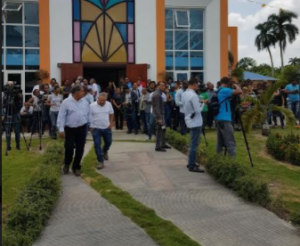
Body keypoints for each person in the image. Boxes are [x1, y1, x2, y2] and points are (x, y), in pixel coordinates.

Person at [57, 85, 90, 177]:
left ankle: (76, 167)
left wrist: (90, 124)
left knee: (80, 149)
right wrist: (61, 129)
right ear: (76, 92)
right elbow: (61, 116)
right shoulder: (66, 102)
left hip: (82, 128)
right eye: (82, 91)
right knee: (69, 147)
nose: (84, 93)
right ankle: (67, 163)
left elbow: (88, 113)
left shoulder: (85, 101)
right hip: (70, 129)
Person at [215, 77, 243, 157]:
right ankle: (232, 162)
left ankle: (217, 159)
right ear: (228, 83)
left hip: (218, 118)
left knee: (220, 142)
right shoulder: (225, 90)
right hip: (225, 119)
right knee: (230, 141)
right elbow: (240, 91)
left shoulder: (218, 90)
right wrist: (235, 84)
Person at [182, 80, 205, 173]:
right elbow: (198, 110)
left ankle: (191, 162)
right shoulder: (194, 95)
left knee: (192, 143)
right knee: (194, 145)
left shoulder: (184, 93)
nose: (197, 87)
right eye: (197, 85)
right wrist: (203, 103)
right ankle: (191, 165)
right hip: (196, 122)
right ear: (194, 84)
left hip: (188, 119)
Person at [89, 93, 114, 170]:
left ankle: (105, 150)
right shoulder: (92, 106)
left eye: (104, 100)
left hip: (106, 127)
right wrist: (90, 126)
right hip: (96, 128)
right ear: (98, 99)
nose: (103, 102)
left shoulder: (109, 104)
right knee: (97, 144)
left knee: (109, 142)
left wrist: (111, 123)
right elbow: (88, 116)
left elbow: (111, 114)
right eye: (101, 100)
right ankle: (100, 161)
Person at [3, 81, 23, 150]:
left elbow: (20, 102)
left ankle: (18, 146)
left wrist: (16, 94)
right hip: (8, 113)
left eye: (9, 85)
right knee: (7, 130)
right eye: (7, 85)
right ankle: (8, 146)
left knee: (17, 131)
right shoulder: (6, 94)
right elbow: (4, 104)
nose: (8, 87)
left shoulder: (17, 93)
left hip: (15, 113)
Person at [152, 82, 171, 152]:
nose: (164, 87)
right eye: (162, 86)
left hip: (161, 115)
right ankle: (158, 146)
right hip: (159, 116)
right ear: (158, 86)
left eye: (164, 86)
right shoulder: (157, 94)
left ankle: (163, 144)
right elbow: (156, 107)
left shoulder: (160, 94)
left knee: (163, 129)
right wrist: (159, 118)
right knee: (159, 130)